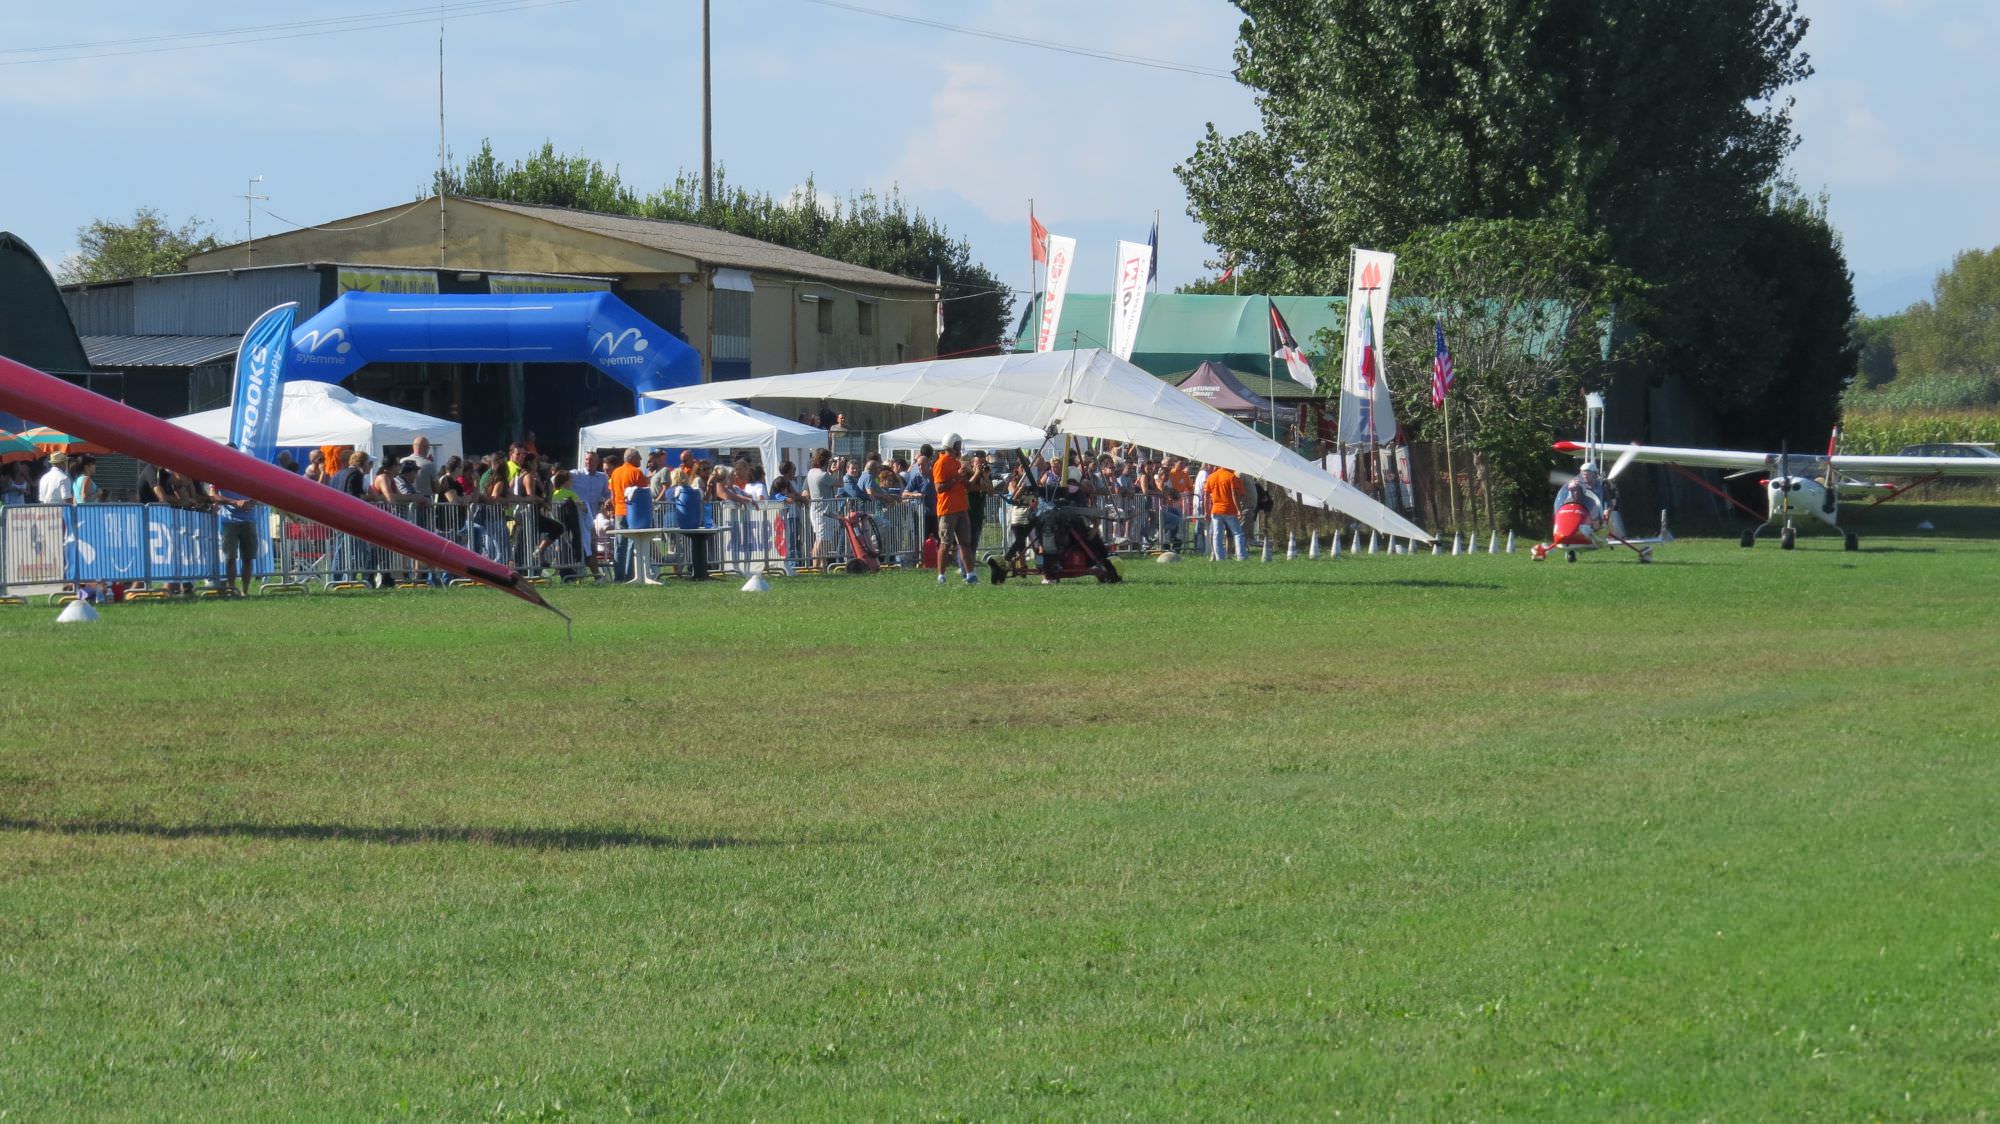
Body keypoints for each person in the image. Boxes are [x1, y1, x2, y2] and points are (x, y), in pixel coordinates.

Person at [932, 433, 978, 584]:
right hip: (947, 509)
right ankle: (941, 576)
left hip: (961, 508)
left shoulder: (956, 462)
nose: (960, 447)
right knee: (945, 543)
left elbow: (967, 485)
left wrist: (976, 474)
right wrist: (957, 477)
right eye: (958, 444)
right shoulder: (941, 463)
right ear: (952, 445)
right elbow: (939, 488)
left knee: (965, 543)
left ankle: (970, 575)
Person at [207, 480, 260, 597]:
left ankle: (245, 591)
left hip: (249, 521)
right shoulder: (218, 474)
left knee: (248, 558)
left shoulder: (250, 473)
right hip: (229, 522)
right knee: (230, 558)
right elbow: (212, 495)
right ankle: (232, 589)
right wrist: (235, 502)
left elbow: (260, 492)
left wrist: (253, 502)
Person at [608, 448, 648, 582]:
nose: (641, 460)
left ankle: (618, 577)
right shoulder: (637, 472)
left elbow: (612, 495)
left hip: (619, 511)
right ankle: (629, 575)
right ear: (632, 458)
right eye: (639, 457)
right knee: (631, 544)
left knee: (619, 545)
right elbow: (643, 494)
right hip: (633, 512)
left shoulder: (615, 473)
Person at [570, 450, 610, 564]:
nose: (588, 462)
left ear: (597, 462)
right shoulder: (576, 474)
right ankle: (584, 570)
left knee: (592, 546)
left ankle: (591, 571)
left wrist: (608, 500)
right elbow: (556, 479)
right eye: (587, 459)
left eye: (591, 460)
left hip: (593, 517)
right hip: (578, 517)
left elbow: (607, 493)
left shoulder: (603, 477)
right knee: (583, 545)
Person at [1203, 462, 1246, 561]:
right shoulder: (1232, 477)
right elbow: (1235, 494)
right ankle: (1241, 556)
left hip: (1216, 510)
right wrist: (1239, 510)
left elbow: (1206, 497)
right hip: (1229, 510)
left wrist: (1206, 511)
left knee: (1217, 535)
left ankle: (1219, 558)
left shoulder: (1211, 477)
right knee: (1238, 533)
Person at [806, 447, 841, 567]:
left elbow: (827, 482)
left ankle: (822, 566)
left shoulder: (811, 472)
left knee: (823, 541)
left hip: (817, 510)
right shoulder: (823, 475)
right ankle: (815, 567)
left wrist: (832, 472)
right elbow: (839, 483)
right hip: (823, 512)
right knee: (820, 541)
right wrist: (839, 469)